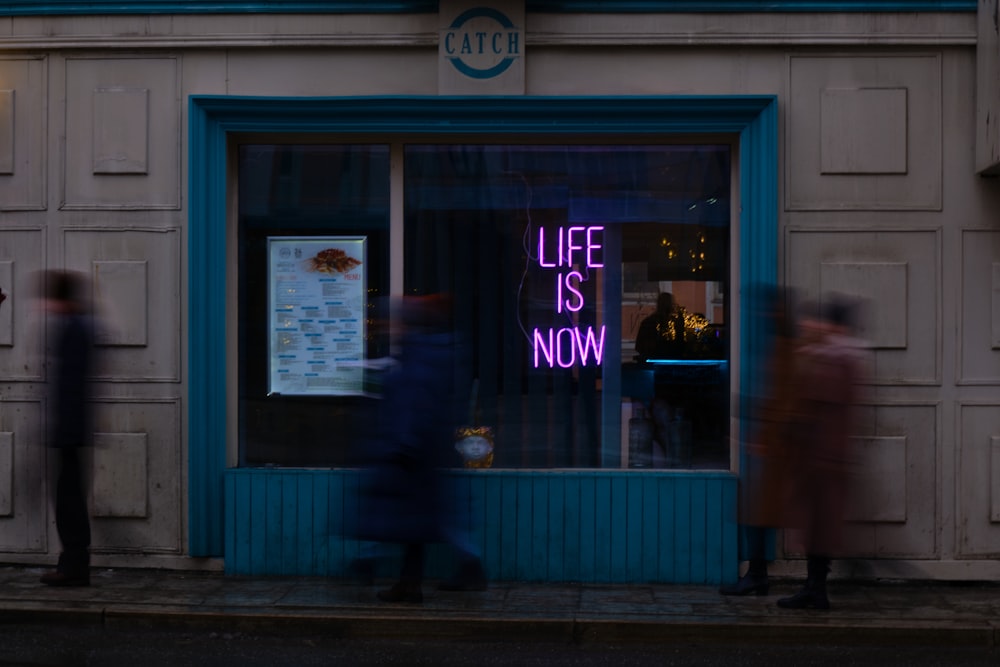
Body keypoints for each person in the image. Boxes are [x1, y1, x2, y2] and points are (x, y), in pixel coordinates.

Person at [353, 294, 486, 603]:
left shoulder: (419, 356)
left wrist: (405, 443)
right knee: (419, 521)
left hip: (414, 454)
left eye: (394, 322)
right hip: (422, 452)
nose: (389, 328)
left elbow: (415, 404)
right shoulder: (435, 353)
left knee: (412, 519)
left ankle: (391, 572)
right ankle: (410, 581)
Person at [776, 295, 865, 610]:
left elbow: (811, 407)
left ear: (832, 325)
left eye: (816, 321)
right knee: (817, 527)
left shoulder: (835, 361)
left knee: (819, 527)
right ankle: (814, 588)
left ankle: (816, 590)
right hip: (822, 458)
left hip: (823, 459)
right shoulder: (833, 357)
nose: (807, 325)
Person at [721, 286, 798, 597]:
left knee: (759, 511)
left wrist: (766, 437)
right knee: (758, 511)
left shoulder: (783, 349)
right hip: (770, 444)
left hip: (774, 447)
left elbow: (783, 398)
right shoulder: (778, 346)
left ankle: (758, 574)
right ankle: (758, 573)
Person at [38, 270, 96, 587]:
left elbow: (70, 386)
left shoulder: (74, 330)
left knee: (69, 502)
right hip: (71, 431)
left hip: (69, 432)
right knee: (70, 499)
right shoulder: (78, 326)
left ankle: (73, 566)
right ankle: (74, 564)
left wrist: (61, 430)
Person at [634, 292, 686, 362]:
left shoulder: (648, 322)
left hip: (652, 362)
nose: (674, 307)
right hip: (663, 362)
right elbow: (678, 347)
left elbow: (639, 346)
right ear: (670, 306)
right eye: (672, 304)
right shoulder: (670, 324)